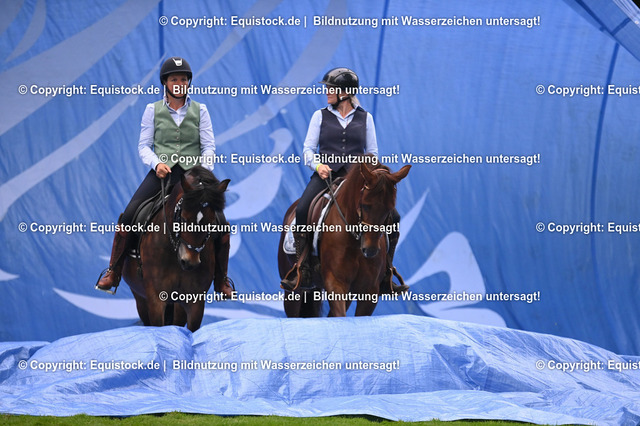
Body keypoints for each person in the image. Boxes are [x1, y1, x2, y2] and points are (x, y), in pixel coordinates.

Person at [95, 56, 233, 297]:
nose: (179, 83)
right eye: (174, 79)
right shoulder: (152, 110)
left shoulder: (201, 110)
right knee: (129, 214)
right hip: (163, 173)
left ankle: (221, 280)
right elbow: (143, 146)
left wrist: (202, 170)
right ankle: (113, 271)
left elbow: (209, 146)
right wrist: (156, 163)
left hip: (193, 175)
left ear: (189, 82)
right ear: (165, 83)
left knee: (220, 221)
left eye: (183, 79)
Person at [280, 67, 408, 293]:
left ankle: (386, 273)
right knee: (302, 209)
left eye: (331, 88)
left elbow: (372, 152)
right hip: (326, 175)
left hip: (358, 180)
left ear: (346, 92)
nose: (327, 92)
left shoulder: (366, 118)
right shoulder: (319, 116)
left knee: (393, 217)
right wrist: (318, 166)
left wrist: (370, 174)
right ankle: (302, 267)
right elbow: (308, 150)